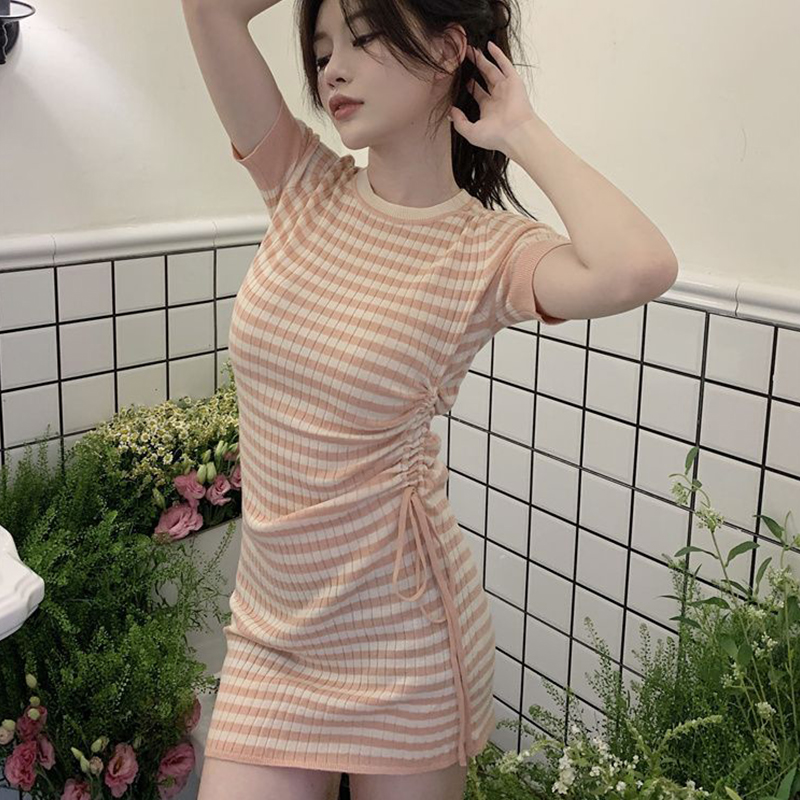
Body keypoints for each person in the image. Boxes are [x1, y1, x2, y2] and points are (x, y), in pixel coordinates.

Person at [181, 0, 678, 797]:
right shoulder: (302, 183)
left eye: (364, 37)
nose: (332, 69)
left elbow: (639, 266)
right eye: (322, 49)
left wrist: (521, 129)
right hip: (271, 639)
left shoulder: (484, 250)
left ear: (449, 49)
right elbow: (209, 8)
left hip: (404, 644)